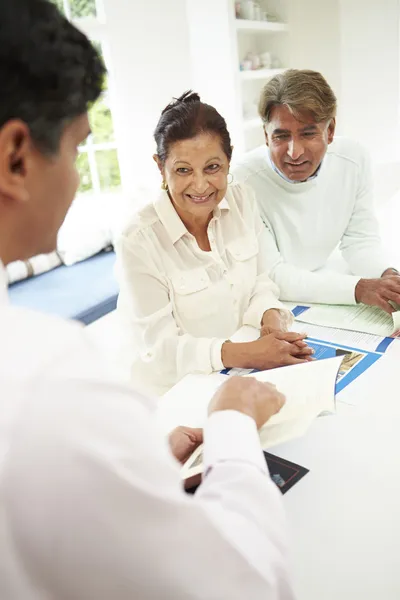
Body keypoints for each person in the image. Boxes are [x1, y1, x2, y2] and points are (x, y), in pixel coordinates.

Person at [0, 2, 295, 598]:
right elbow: (243, 582)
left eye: (213, 167)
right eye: (82, 148)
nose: (81, 176)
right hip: (196, 401)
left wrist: (143, 464)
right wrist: (233, 419)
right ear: (16, 157)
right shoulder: (46, 367)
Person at [116, 91, 313, 395]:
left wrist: (270, 317)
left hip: (233, 375)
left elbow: (259, 282)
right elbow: (160, 351)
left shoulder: (242, 199)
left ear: (229, 159)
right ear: (160, 167)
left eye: (212, 167)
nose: (200, 186)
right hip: (171, 395)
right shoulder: (138, 240)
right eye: (183, 170)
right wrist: (250, 354)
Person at [233, 69, 400, 313]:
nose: (294, 152)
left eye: (308, 134)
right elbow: (273, 274)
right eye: (281, 136)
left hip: (321, 291)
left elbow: (360, 241)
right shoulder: (242, 180)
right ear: (266, 136)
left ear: (330, 130)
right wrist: (359, 288)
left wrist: (388, 277)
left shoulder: (353, 159)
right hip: (273, 305)